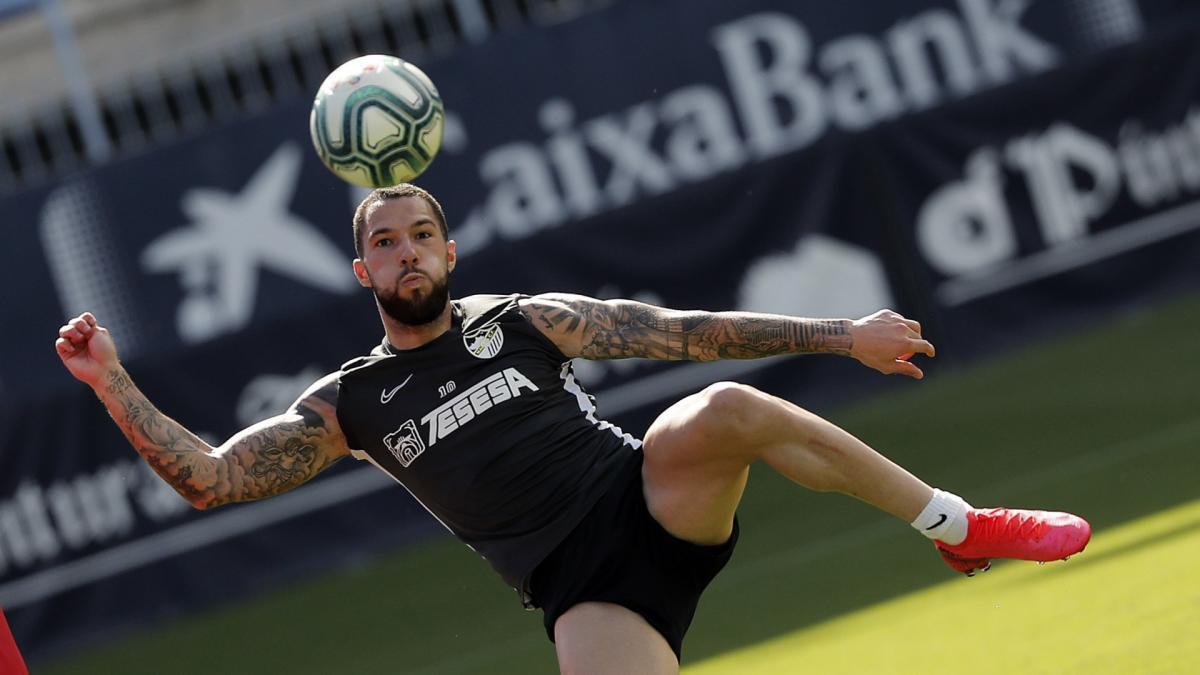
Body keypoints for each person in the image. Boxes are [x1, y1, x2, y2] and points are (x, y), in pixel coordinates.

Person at [55, 184, 1090, 674]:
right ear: (361, 272)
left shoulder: (523, 320)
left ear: (450, 253)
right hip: (581, 592)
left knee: (723, 410)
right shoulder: (350, 403)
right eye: (385, 243)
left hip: (648, 498)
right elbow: (212, 479)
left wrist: (841, 334)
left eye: (422, 236)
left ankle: (954, 526)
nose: (406, 253)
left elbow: (684, 334)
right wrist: (110, 380)